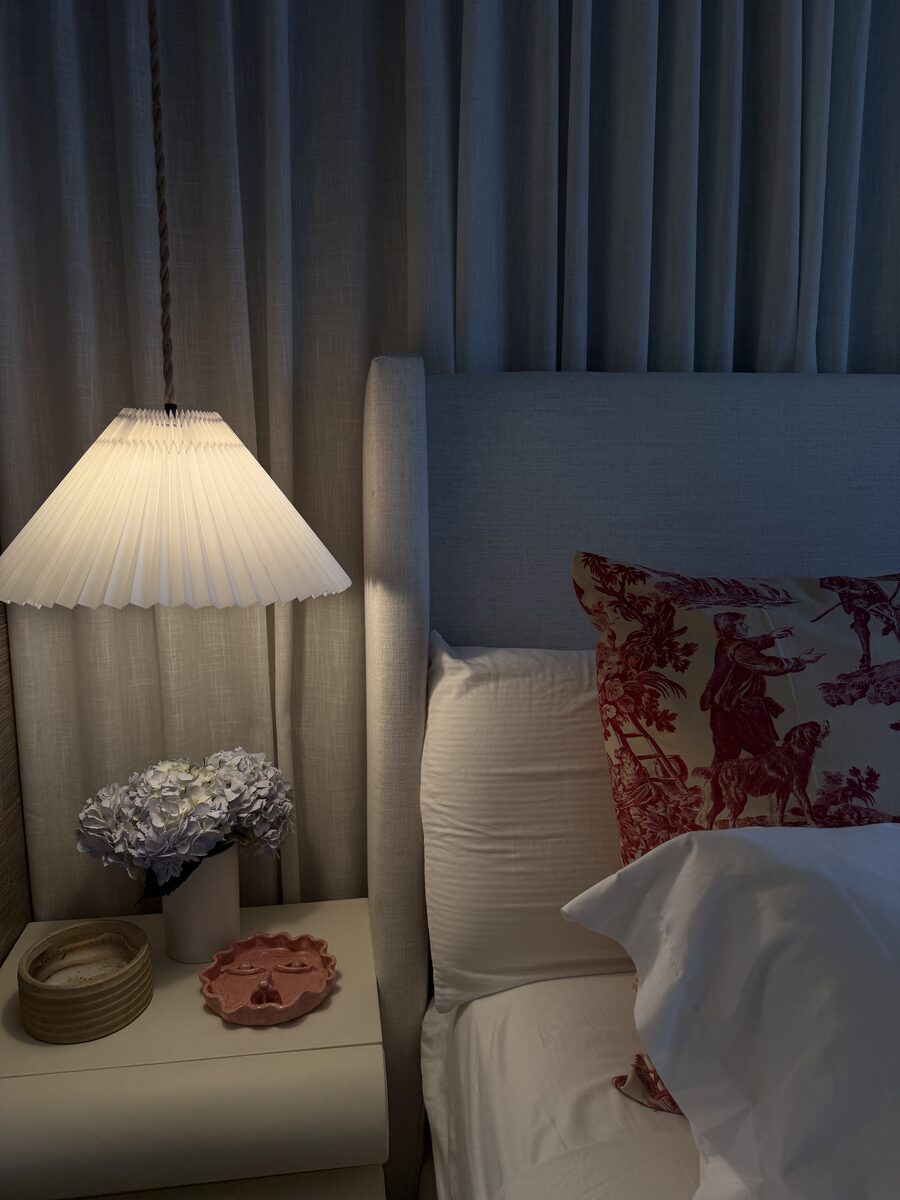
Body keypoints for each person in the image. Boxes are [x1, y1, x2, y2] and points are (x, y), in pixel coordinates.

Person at [700, 612, 822, 764]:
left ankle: (717, 779)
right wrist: (800, 660)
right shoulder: (739, 649)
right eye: (741, 624)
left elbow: (749, 644)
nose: (746, 626)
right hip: (742, 709)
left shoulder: (726, 643)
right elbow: (768, 665)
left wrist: (770, 637)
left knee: (725, 756)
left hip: (724, 708)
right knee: (766, 753)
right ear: (730, 628)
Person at [819, 576, 900, 670]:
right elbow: (848, 610)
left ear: (835, 581)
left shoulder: (856, 582)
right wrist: (845, 594)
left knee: (894, 619)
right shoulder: (841, 590)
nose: (834, 589)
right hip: (863, 607)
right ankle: (866, 657)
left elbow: (874, 593)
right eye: (831, 588)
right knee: (859, 623)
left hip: (878, 605)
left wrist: (850, 591)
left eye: (832, 586)